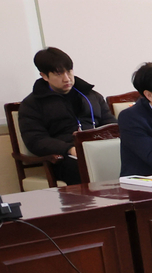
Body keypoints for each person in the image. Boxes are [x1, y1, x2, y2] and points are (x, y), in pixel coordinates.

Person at [16, 47, 115, 186]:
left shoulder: (91, 96)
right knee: (84, 168)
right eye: (59, 74)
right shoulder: (32, 104)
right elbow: (35, 140)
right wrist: (69, 149)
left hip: (100, 150)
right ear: (44, 76)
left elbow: (111, 125)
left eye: (69, 71)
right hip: (65, 158)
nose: (66, 78)